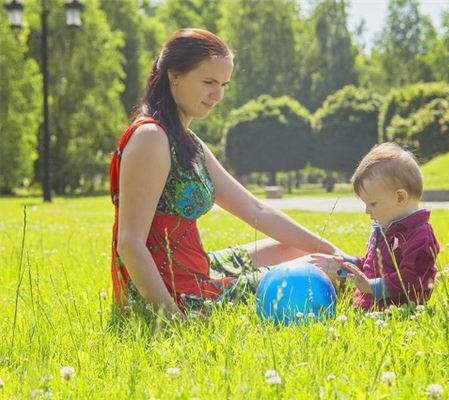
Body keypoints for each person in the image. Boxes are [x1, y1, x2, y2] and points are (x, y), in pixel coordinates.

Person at [109, 29, 341, 320]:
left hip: (197, 269)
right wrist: (172, 317)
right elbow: (130, 243)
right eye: (208, 82)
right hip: (176, 293)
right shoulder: (151, 137)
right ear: (174, 74)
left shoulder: (187, 141)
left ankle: (343, 264)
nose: (217, 95)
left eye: (223, 85)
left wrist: (333, 250)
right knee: (321, 271)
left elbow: (255, 209)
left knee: (296, 250)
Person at [310, 143, 449, 310]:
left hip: (397, 310)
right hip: (369, 305)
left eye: (373, 204)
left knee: (428, 278)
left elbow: (412, 278)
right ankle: (447, 275)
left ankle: (447, 275)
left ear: (399, 198)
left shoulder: (420, 235)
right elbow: (373, 264)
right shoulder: (385, 228)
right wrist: (349, 263)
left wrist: (372, 286)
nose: (367, 211)